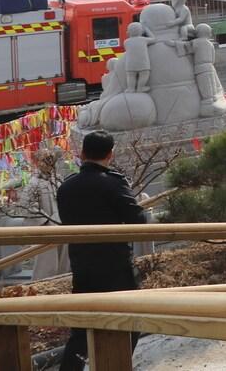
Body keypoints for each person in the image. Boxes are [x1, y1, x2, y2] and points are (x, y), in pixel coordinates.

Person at [56, 130, 148, 371]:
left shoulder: (66, 187)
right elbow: (138, 220)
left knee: (83, 327)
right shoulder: (112, 183)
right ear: (110, 154)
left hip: (81, 263)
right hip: (113, 264)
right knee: (129, 319)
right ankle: (116, 365)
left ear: (82, 153)